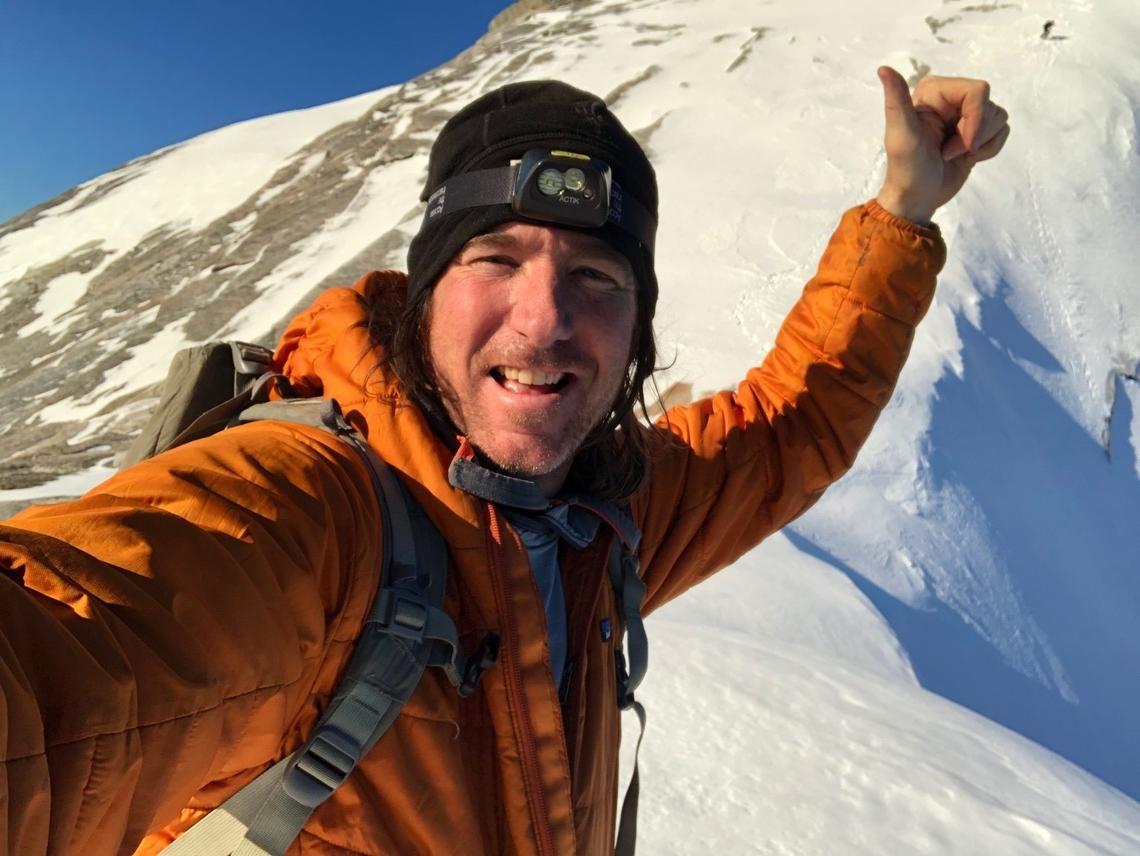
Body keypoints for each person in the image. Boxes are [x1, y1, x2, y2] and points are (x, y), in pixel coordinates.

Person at [0, 66, 1008, 855]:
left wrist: (902, 213)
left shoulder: (603, 522)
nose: (547, 318)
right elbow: (66, 671)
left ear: (636, 332)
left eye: (597, 274)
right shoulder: (309, 516)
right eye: (497, 259)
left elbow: (791, 425)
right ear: (424, 291)